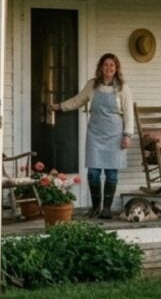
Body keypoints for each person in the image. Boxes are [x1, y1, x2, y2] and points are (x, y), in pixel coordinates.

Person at [52, 53, 133, 219]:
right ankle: (96, 207)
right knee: (93, 173)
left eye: (112, 65)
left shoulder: (123, 88)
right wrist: (59, 106)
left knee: (111, 173)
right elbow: (77, 100)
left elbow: (129, 114)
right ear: (101, 68)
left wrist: (128, 135)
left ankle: (107, 209)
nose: (108, 68)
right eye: (105, 65)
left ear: (116, 68)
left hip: (115, 135)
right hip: (95, 134)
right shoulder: (92, 86)